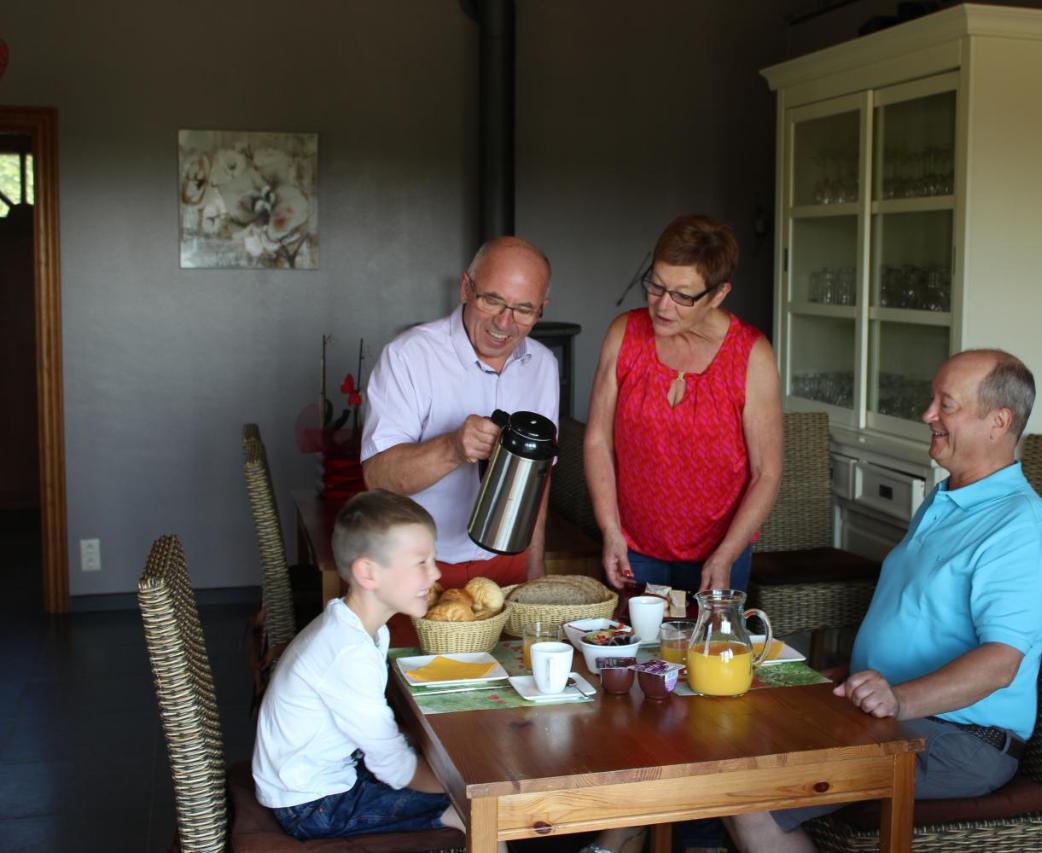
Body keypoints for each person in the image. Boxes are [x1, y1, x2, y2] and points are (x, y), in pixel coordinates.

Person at [724, 349, 1042, 853]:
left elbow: (999, 665)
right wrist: (857, 676)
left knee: (748, 794)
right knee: (734, 738)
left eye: (945, 404)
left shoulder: (1021, 529)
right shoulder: (948, 498)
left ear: (998, 422)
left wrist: (899, 698)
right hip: (891, 716)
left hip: (960, 742)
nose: (928, 414)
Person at [252, 489, 476, 843]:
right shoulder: (348, 653)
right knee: (476, 813)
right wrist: (461, 789)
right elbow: (395, 767)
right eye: (421, 562)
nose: (435, 573)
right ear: (368, 573)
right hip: (314, 804)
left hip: (321, 777)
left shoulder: (360, 628)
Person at [584, 213, 783, 596]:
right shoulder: (624, 334)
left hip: (719, 553)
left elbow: (766, 473)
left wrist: (725, 556)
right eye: (656, 286)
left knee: (708, 654)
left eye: (682, 295)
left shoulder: (751, 355)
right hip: (633, 547)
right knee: (633, 655)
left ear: (719, 294)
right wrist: (610, 531)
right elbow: (597, 441)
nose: (663, 306)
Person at [362, 236, 559, 587]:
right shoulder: (408, 356)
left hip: (508, 565)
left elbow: (539, 477)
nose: (504, 323)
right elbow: (378, 477)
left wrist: (534, 564)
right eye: (492, 300)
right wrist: (452, 448)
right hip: (414, 570)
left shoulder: (542, 365)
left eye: (524, 310)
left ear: (541, 309)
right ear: (466, 288)